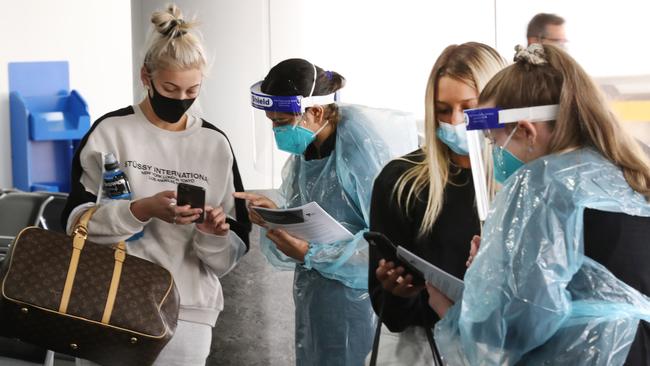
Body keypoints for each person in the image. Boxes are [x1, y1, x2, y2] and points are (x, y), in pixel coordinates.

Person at [430, 44, 650, 365]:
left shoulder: (543, 185)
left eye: (493, 140)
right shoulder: (631, 176)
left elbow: (520, 325)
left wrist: (458, 303)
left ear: (526, 130)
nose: (493, 152)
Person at [61, 5, 251, 365]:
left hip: (190, 312)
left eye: (192, 90)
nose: (181, 99)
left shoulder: (215, 145)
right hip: (110, 302)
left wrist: (213, 234)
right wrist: (140, 210)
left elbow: (230, 257)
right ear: (145, 77)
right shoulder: (111, 132)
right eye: (170, 88)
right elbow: (75, 225)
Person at [235, 58, 417, 366]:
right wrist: (277, 215)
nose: (276, 131)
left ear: (315, 111)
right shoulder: (306, 149)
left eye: (280, 122)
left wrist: (310, 252)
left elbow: (384, 243)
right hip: (314, 294)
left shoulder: (359, 150)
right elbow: (316, 215)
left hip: (357, 302)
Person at [368, 42, 506, 364]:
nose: (455, 121)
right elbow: (389, 310)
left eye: (468, 107)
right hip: (422, 352)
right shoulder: (401, 182)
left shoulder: (521, 182)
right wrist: (399, 294)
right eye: (443, 110)